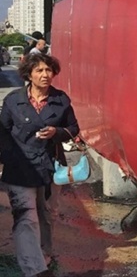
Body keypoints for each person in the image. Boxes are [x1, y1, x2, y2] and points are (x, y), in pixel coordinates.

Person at [0, 53, 79, 277]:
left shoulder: (61, 100)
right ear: (29, 74)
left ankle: (44, 254)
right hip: (20, 168)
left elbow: (73, 129)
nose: (45, 75)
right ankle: (35, 270)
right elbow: (3, 131)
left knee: (47, 215)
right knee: (26, 217)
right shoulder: (14, 100)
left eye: (48, 70)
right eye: (39, 71)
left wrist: (57, 132)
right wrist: (6, 157)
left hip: (49, 167)